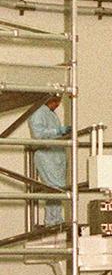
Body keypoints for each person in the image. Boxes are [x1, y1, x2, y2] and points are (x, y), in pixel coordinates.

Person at [27, 94, 71, 225]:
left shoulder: (50, 114)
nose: (57, 104)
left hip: (55, 156)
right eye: (56, 101)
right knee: (53, 188)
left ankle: (56, 219)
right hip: (47, 155)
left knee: (58, 189)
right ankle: (52, 221)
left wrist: (60, 132)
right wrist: (58, 131)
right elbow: (38, 134)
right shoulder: (38, 112)